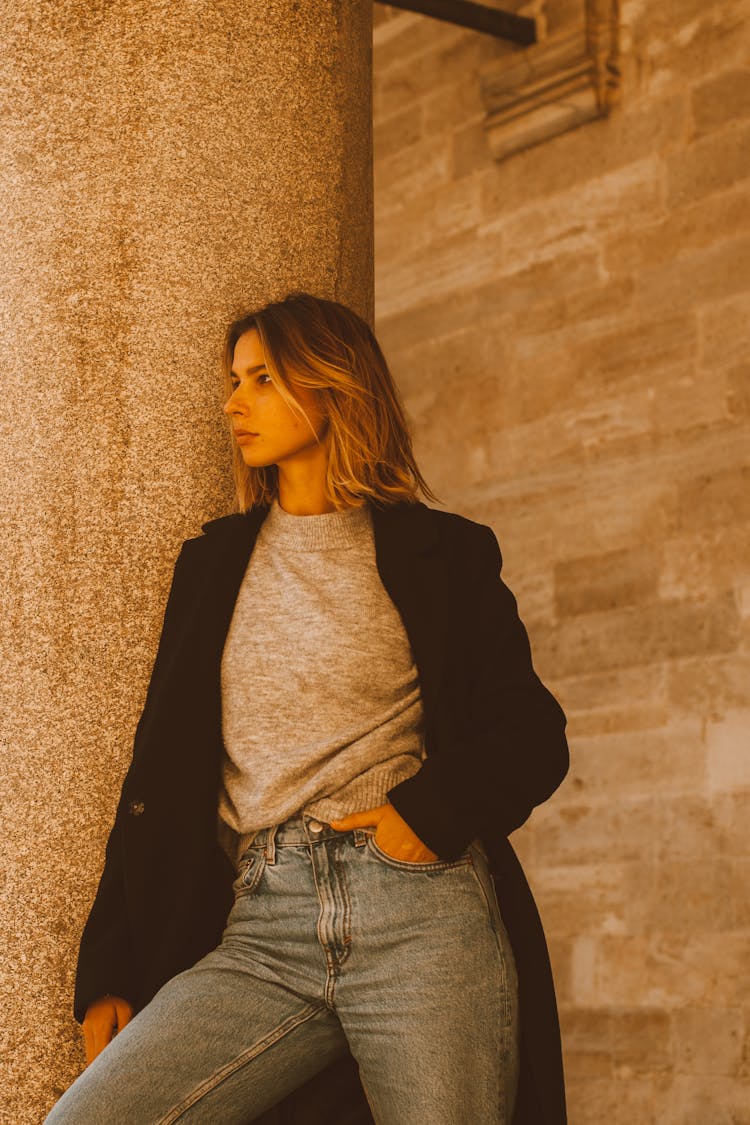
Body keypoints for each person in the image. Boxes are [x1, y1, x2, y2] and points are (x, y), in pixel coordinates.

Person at [45, 291, 569, 1125]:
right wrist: (112, 959)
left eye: (260, 378)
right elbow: (156, 773)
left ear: (329, 384)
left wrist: (422, 816)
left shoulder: (445, 554)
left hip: (420, 915)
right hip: (264, 922)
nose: (232, 401)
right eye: (233, 379)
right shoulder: (213, 566)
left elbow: (532, 732)